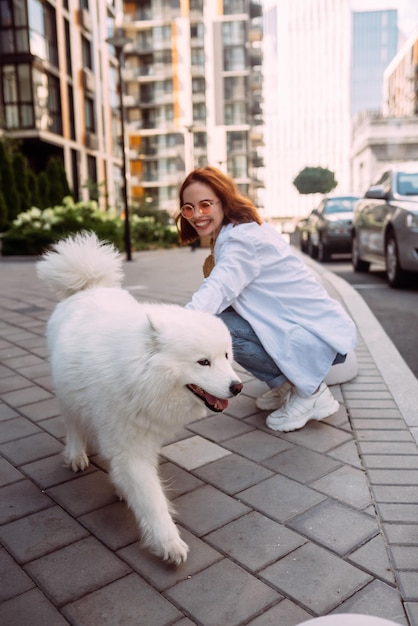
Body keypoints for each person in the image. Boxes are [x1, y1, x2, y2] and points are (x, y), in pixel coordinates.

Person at [175, 166, 357, 432]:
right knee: (220, 320)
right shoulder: (237, 230)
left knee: (220, 328)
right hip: (308, 327)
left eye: (205, 205)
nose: (196, 215)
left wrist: (174, 326)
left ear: (223, 201)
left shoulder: (241, 240)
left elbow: (218, 289)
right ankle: (287, 386)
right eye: (188, 208)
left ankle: (312, 394)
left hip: (317, 336)